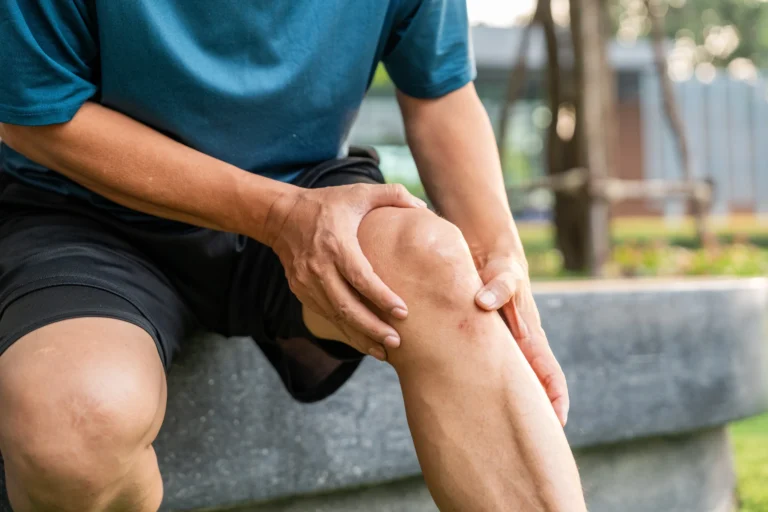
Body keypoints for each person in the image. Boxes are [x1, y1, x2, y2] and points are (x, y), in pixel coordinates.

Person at [0, 1, 586, 510]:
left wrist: (498, 253)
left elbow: (439, 95)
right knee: (75, 429)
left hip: (311, 189)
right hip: (85, 214)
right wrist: (277, 216)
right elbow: (38, 116)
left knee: (438, 265)